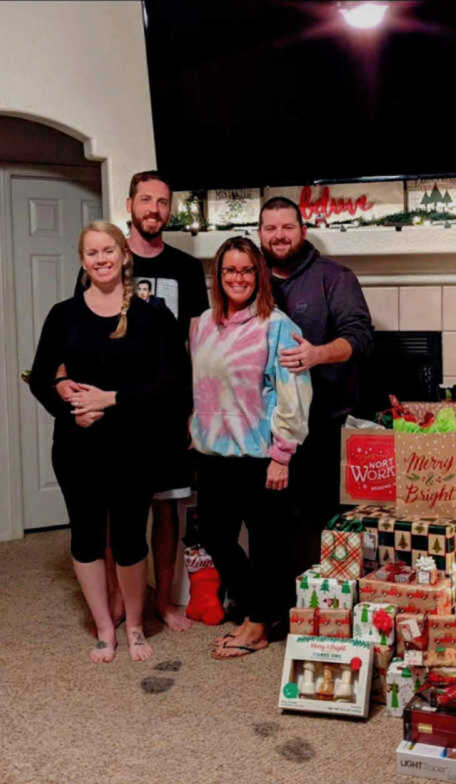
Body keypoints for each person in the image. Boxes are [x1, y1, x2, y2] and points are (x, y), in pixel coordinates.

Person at [29, 222, 184, 662]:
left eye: (108, 250)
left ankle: (135, 627)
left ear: (123, 255)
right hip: (77, 447)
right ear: (83, 260)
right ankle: (104, 628)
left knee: (133, 538)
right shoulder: (63, 315)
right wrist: (68, 405)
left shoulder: (153, 317)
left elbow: (172, 384)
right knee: (86, 538)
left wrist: (112, 398)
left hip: (133, 445)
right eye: (92, 252)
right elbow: (41, 378)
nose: (101, 259)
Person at [59, 171, 207, 632]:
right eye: (146, 200)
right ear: (130, 205)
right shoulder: (102, 262)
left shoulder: (185, 267)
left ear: (169, 211)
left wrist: (192, 407)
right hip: (115, 414)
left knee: (166, 506)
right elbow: (77, 338)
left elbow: (197, 342)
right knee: (112, 509)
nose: (155, 210)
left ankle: (162, 600)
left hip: (164, 407)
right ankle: (118, 599)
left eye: (163, 203)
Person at [190, 236, 312, 659]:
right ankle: (256, 605)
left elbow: (293, 393)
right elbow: (202, 385)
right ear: (218, 276)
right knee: (212, 536)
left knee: (267, 543)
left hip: (261, 456)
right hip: (212, 453)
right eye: (229, 270)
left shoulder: (278, 326)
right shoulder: (203, 323)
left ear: (258, 275)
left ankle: (258, 623)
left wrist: (283, 454)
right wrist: (196, 427)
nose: (237, 278)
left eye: (246, 270)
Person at [257, 197, 373, 594]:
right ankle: (275, 605)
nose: (279, 236)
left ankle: (321, 609)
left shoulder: (334, 277)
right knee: (270, 522)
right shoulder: (250, 277)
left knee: (315, 524)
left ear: (303, 231)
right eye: (270, 228)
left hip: (325, 423)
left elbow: (360, 339)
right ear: (259, 233)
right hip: (266, 428)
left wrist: (317, 354)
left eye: (287, 227)